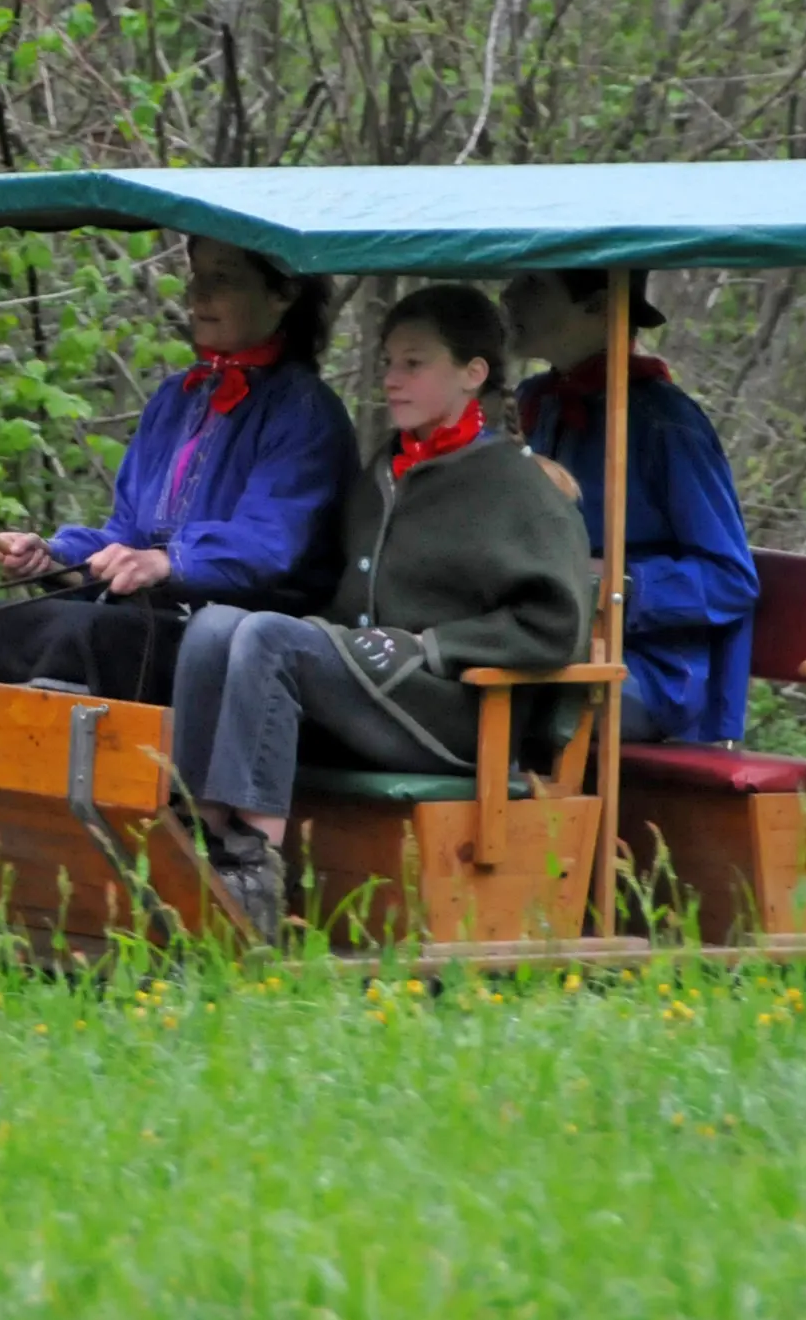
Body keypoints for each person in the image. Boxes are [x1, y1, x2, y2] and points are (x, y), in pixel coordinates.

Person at [169, 284, 592, 939]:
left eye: (414, 364)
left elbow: (556, 627)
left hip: (453, 715)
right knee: (214, 625)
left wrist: (435, 647)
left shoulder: (520, 490)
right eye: (388, 362)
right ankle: (195, 836)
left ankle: (253, 876)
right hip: (367, 690)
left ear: (472, 374)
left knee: (270, 642)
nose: (391, 379)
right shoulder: (385, 473)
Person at [0, 236, 356, 704]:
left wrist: (167, 562)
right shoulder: (175, 397)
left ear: (283, 294)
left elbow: (268, 544)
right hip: (143, 620)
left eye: (221, 279)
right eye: (195, 276)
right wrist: (55, 554)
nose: (197, 294)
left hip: (230, 638)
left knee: (82, 638)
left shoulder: (305, 412)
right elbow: (126, 533)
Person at [499, 268, 758, 746]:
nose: (508, 293)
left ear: (599, 305)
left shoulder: (666, 425)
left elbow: (731, 580)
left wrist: (617, 581)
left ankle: (518, 818)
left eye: (534, 283)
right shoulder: (530, 403)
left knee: (495, 700)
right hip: (540, 641)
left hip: (647, 675)